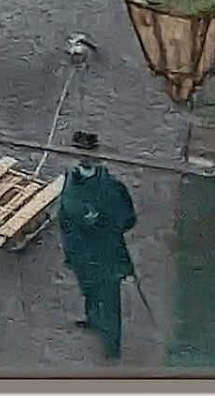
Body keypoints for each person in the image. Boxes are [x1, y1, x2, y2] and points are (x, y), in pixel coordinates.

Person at [57, 131, 137, 362]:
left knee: (110, 302)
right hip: (81, 255)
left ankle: (112, 346)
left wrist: (102, 222)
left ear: (97, 156)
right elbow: (64, 218)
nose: (83, 158)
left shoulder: (112, 188)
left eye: (89, 153)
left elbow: (128, 218)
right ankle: (93, 320)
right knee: (89, 290)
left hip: (106, 255)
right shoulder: (70, 182)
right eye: (78, 152)